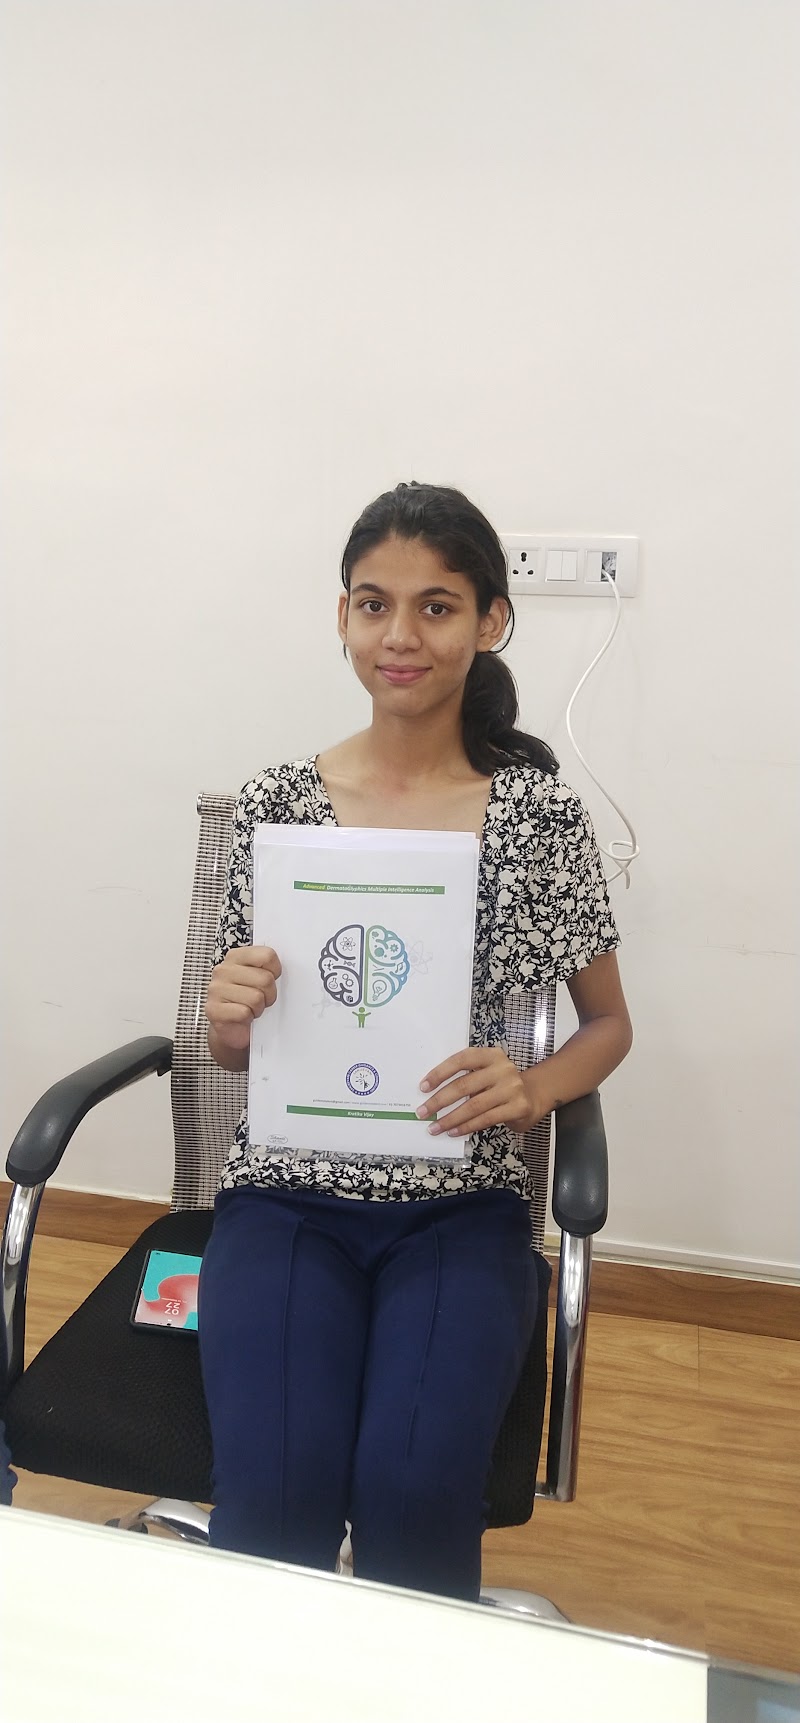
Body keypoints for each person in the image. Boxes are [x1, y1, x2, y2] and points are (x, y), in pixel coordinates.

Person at [199, 481, 633, 1601]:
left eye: (436, 607)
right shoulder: (276, 806)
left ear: (490, 621)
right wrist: (227, 1016)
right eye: (372, 604)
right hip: (286, 1199)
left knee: (412, 1496)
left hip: (459, 1204)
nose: (400, 635)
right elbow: (239, 1055)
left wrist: (532, 1087)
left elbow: (607, 1024)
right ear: (341, 617)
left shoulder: (536, 815)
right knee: (271, 1503)